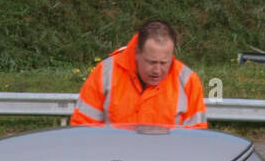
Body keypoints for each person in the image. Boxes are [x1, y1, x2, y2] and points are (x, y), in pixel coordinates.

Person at [70, 20, 207, 129]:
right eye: (151, 62)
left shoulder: (188, 81)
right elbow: (82, 130)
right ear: (137, 53)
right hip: (114, 155)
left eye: (164, 63)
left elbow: (196, 141)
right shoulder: (105, 73)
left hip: (167, 156)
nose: (157, 70)